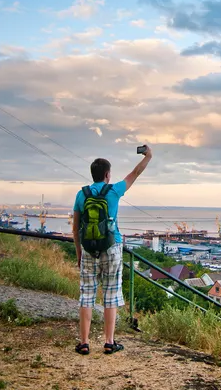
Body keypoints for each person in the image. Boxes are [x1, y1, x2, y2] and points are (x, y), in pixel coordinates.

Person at [72, 146, 152, 355]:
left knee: (87, 295)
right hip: (112, 247)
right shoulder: (115, 190)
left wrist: (79, 254)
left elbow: (75, 228)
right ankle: (109, 341)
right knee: (111, 294)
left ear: (93, 174)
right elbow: (135, 173)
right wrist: (148, 156)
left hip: (88, 249)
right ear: (107, 175)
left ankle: (84, 342)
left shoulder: (82, 195)